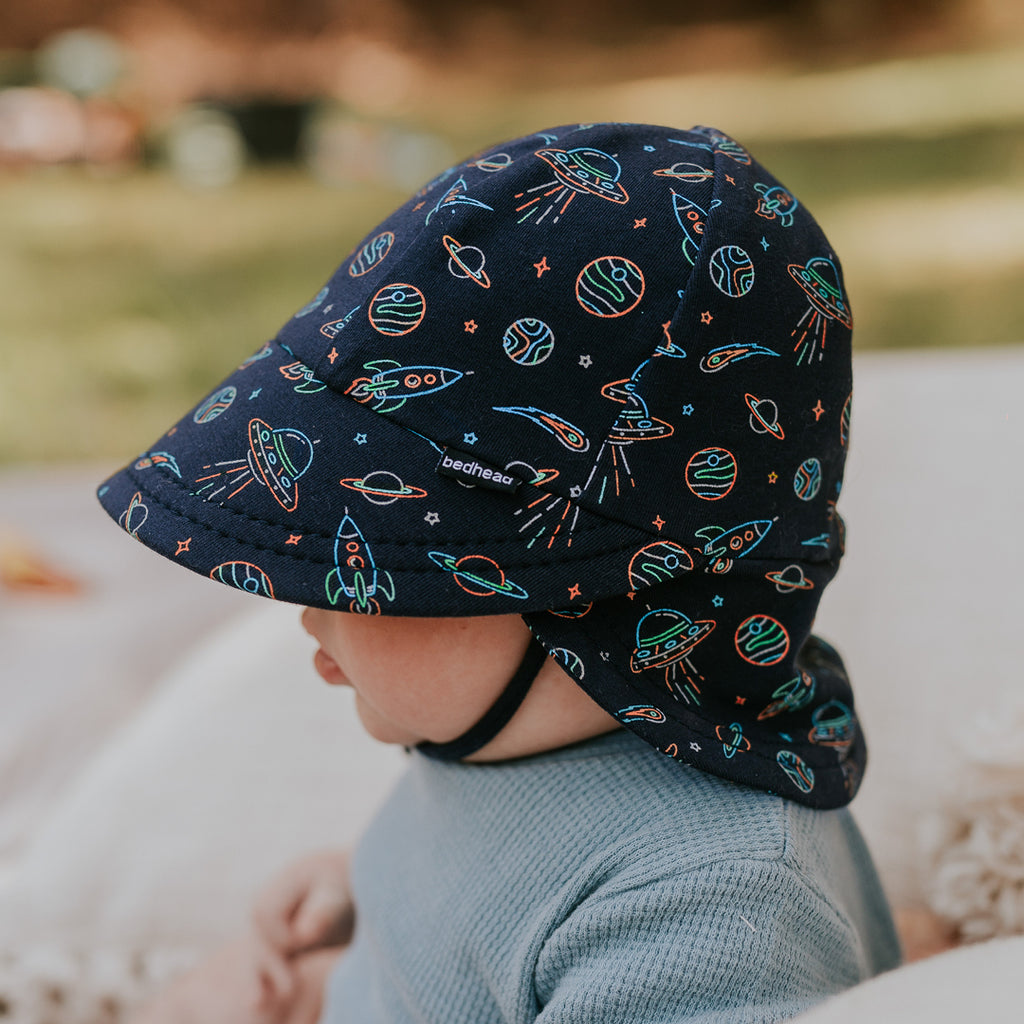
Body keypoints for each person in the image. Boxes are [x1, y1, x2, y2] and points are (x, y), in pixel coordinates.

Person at [98, 121, 901, 1023]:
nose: (304, 615)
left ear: (588, 603)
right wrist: (358, 928)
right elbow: (499, 902)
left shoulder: (715, 916)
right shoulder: (520, 728)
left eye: (353, 566)